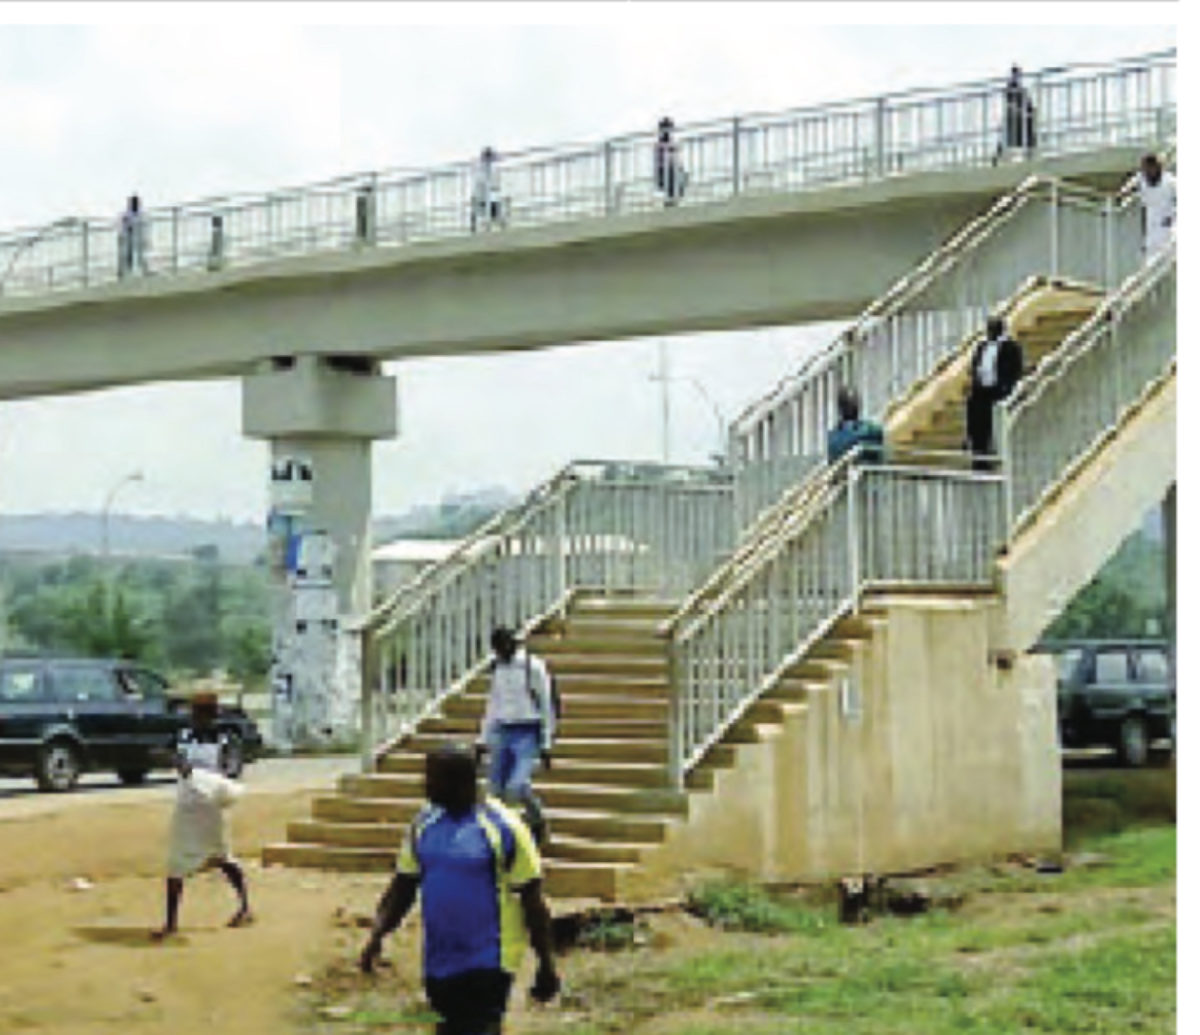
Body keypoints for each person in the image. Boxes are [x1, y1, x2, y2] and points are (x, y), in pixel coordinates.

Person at [359, 743, 560, 1035]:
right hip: (439, 961)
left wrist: (546, 964)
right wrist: (378, 934)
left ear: (458, 782)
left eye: (432, 778)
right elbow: (403, 886)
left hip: (489, 961)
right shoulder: (424, 824)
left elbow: (533, 899)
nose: (424, 785)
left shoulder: (504, 828)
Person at [152, 693, 252, 941]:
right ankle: (171, 922)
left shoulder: (224, 741)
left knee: (223, 858)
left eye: (204, 715)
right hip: (187, 807)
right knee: (177, 864)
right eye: (196, 714)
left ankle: (245, 906)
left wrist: (194, 772)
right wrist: (170, 759)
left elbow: (228, 775)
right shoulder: (183, 737)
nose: (199, 719)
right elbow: (162, 753)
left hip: (211, 809)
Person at [478, 627, 555, 847]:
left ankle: (536, 819)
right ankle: (500, 835)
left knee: (516, 785)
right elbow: (493, 704)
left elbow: (546, 704)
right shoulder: (498, 669)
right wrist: (482, 739)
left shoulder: (532, 667)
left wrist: (547, 741)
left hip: (527, 729)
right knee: (495, 788)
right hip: (503, 729)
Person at [966, 315, 1024, 470]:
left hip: (999, 391)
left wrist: (1007, 387)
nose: (990, 331)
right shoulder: (982, 346)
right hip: (981, 390)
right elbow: (975, 364)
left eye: (993, 328)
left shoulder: (1011, 347)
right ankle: (979, 457)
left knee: (995, 424)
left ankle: (996, 456)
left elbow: (1015, 370)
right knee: (977, 422)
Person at [826, 386, 885, 465]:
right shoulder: (868, 430)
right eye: (851, 402)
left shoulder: (833, 435)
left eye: (854, 401)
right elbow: (876, 434)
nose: (853, 405)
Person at [993, 65, 1036, 164]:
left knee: (1021, 136)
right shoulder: (1013, 87)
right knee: (1013, 136)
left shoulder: (1017, 88)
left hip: (1020, 117)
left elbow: (1024, 102)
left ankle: (1029, 153)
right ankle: (998, 156)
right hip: (1017, 117)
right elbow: (1012, 101)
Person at [1137, 153, 1176, 259]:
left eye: (1150, 168)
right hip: (1151, 232)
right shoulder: (1142, 182)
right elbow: (1144, 208)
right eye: (1145, 169)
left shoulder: (1171, 182)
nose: (1147, 172)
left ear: (1157, 167)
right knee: (1151, 263)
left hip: (1168, 229)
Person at [654, 117, 687, 207]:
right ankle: (670, 203)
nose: (668, 131)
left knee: (680, 180)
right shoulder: (660, 144)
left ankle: (673, 202)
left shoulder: (671, 142)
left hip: (672, 171)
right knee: (671, 191)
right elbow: (660, 162)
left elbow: (676, 158)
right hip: (666, 172)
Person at [471, 147, 505, 232]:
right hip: (485, 197)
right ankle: (487, 227)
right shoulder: (482, 168)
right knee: (493, 213)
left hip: (484, 197)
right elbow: (485, 183)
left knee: (492, 213)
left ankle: (483, 227)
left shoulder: (484, 168)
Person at [118, 194, 149, 278]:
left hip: (138, 237)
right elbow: (124, 224)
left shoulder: (140, 213)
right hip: (129, 237)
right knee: (128, 254)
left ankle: (142, 269)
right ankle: (126, 271)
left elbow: (144, 224)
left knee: (140, 253)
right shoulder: (128, 214)